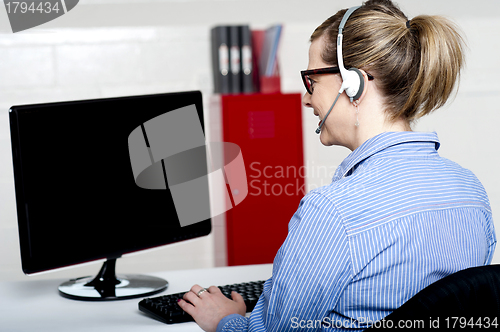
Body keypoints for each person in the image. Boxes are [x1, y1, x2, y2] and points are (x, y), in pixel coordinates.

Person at [178, 0, 496, 331]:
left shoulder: (332, 212)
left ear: (353, 84)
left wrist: (225, 320)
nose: (306, 98)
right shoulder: (470, 191)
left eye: (311, 80)